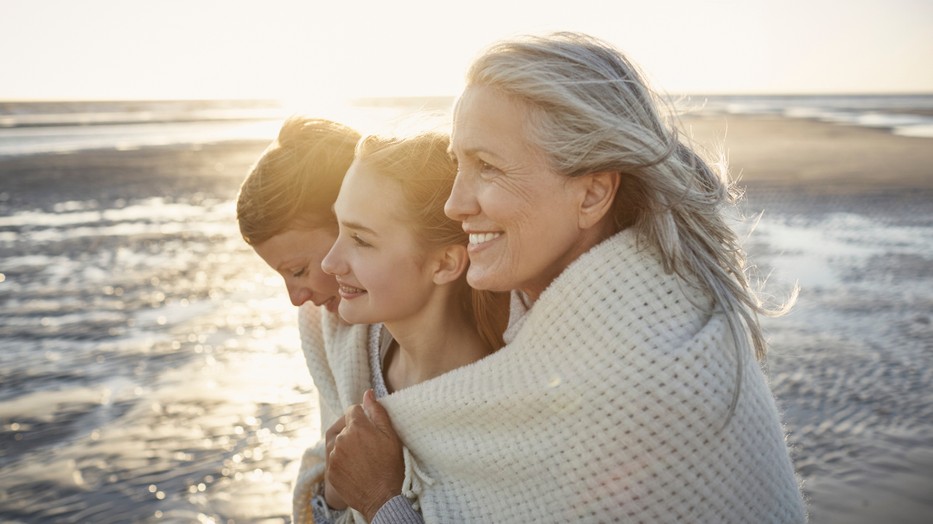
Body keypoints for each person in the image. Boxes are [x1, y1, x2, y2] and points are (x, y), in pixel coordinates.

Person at [325, 32, 808, 523]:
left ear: (593, 194)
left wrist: (382, 500)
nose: (455, 204)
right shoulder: (538, 319)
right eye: (458, 164)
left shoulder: (649, 384)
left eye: (487, 167)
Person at [318, 131, 509, 522]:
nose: (329, 262)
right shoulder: (354, 350)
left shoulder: (495, 413)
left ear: (444, 265)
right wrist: (334, 495)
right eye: (338, 229)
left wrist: (377, 500)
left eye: (360, 240)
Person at [236, 116, 373, 524]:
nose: (297, 300)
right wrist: (331, 494)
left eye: (297, 270)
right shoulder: (324, 326)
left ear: (353, 225)